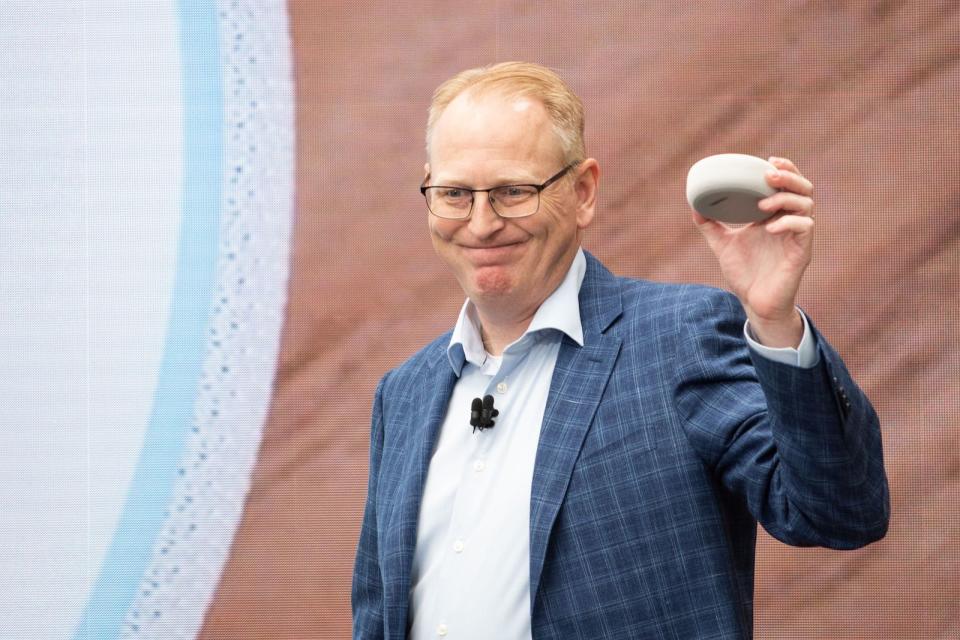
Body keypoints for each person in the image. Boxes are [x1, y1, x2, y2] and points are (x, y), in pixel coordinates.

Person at [352, 61, 889, 640]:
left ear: (583, 192)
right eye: (455, 193)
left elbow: (838, 512)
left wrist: (773, 319)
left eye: (513, 191)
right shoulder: (402, 394)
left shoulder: (678, 338)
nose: (482, 224)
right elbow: (379, 615)